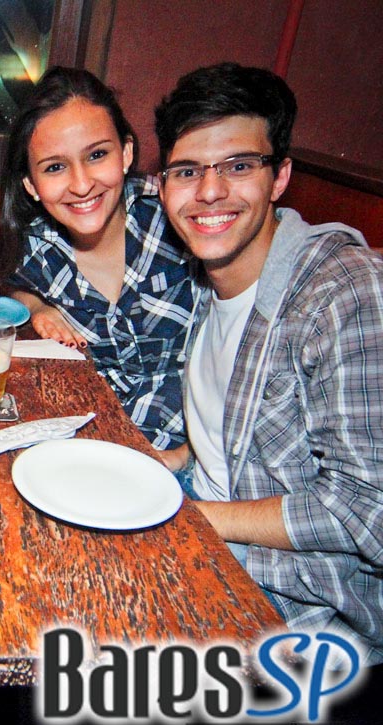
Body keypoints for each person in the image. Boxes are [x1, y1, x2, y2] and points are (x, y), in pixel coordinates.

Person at [154, 62, 383, 664]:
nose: (209, 192)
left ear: (279, 176)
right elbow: (239, 427)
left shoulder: (342, 290)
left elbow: (369, 509)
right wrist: (174, 458)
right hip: (203, 509)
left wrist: (192, 518)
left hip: (291, 599)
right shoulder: (206, 276)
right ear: (163, 184)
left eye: (237, 166)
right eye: (187, 171)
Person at [0, 67, 198, 450]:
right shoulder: (38, 247)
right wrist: (36, 305)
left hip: (189, 460)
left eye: (97, 155)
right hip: (88, 448)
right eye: (55, 167)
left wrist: (183, 458)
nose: (81, 185)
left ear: (126, 152)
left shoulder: (176, 215)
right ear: (31, 184)